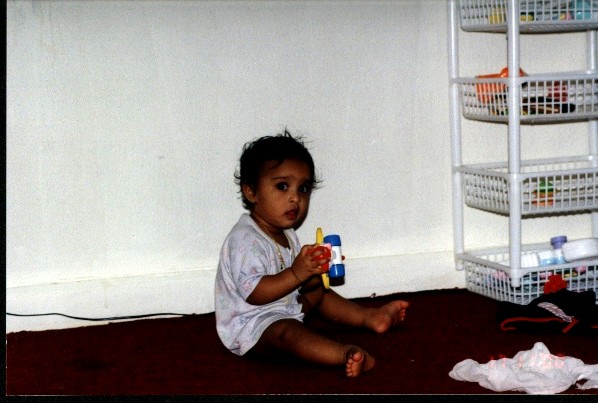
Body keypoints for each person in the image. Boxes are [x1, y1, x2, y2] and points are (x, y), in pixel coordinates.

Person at [214, 130, 409, 377]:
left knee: (319, 291)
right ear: (251, 191)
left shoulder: (287, 233)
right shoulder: (244, 239)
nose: (295, 198)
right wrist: (298, 273)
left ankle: (370, 316)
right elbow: (254, 293)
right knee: (287, 334)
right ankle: (344, 353)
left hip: (286, 308)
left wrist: (315, 273)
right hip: (252, 324)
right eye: (282, 186)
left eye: (303, 188)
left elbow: (297, 286)